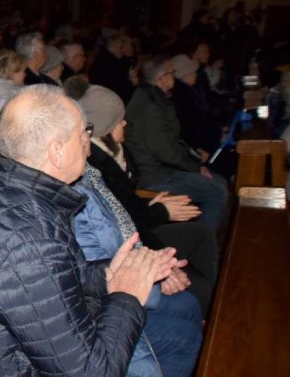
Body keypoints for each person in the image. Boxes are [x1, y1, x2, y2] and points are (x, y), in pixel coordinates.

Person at [0, 84, 180, 375]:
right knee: (178, 342)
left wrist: (109, 274)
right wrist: (127, 294)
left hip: (2, 357)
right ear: (57, 151)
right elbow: (92, 373)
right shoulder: (27, 237)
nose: (88, 141)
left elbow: (59, 276)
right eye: (84, 132)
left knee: (179, 331)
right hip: (6, 366)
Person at [74, 82, 218, 315]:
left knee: (202, 234)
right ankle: (213, 312)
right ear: (104, 127)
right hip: (130, 244)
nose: (125, 123)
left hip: (139, 230)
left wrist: (152, 206)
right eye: (120, 120)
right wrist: (160, 213)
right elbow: (120, 221)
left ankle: (214, 302)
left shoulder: (114, 153)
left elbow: (124, 206)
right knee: (195, 290)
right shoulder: (97, 164)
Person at [72, 163, 203, 376]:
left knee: (189, 303)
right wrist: (148, 274)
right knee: (185, 335)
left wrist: (153, 264)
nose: (87, 135)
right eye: (82, 132)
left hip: (124, 267)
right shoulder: (70, 186)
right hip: (95, 313)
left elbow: (126, 224)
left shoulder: (89, 172)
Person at [125, 56, 229, 232]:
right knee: (217, 191)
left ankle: (203, 235)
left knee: (219, 181)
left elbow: (171, 141)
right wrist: (196, 167)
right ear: (161, 78)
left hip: (162, 168)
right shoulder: (149, 106)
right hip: (154, 175)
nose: (175, 76)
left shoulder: (155, 98)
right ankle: (204, 245)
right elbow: (165, 152)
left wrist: (194, 157)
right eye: (172, 73)